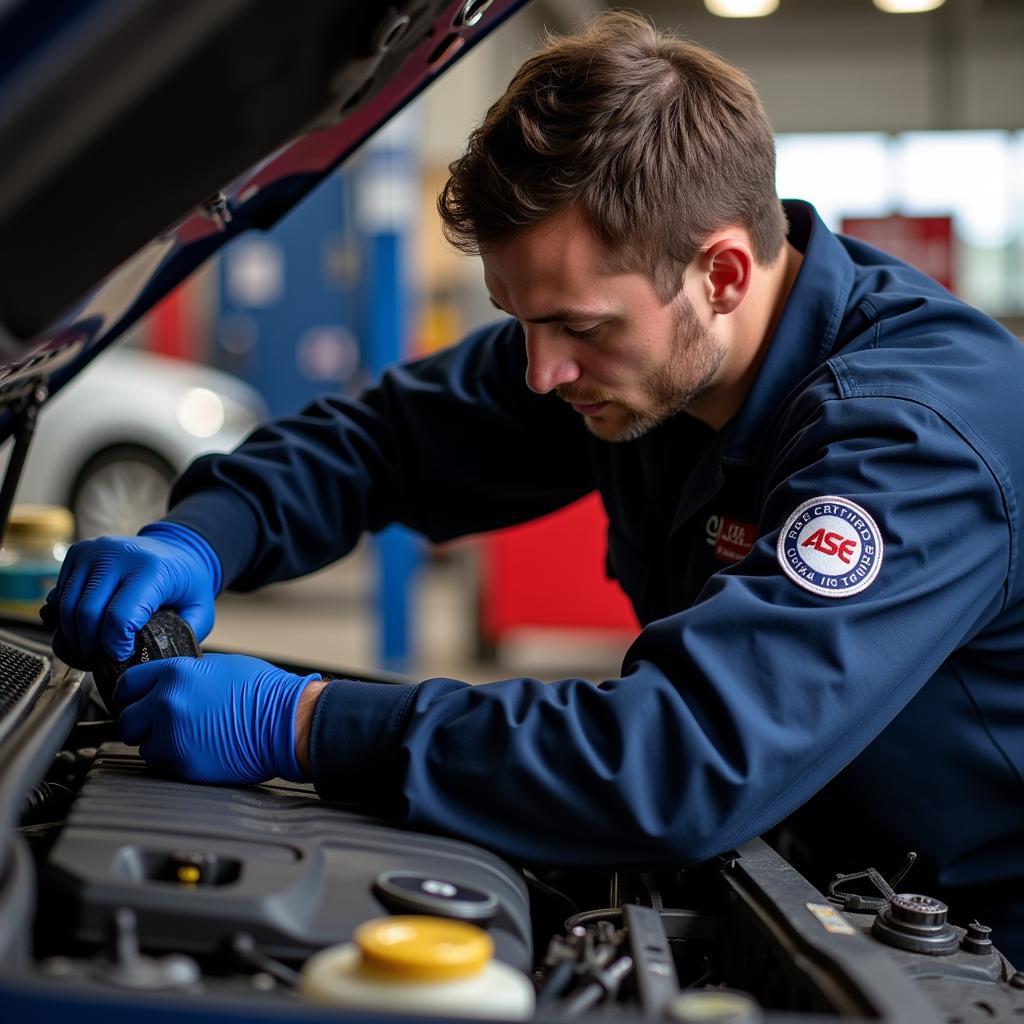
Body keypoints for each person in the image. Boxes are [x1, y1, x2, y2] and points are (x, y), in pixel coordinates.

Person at [45, 12, 1024, 961]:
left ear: (721, 272)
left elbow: (679, 758)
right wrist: (206, 535)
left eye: (579, 327)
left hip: (970, 954)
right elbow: (385, 440)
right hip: (797, 879)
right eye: (518, 319)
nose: (538, 373)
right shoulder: (640, 349)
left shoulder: (912, 444)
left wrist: (299, 723)